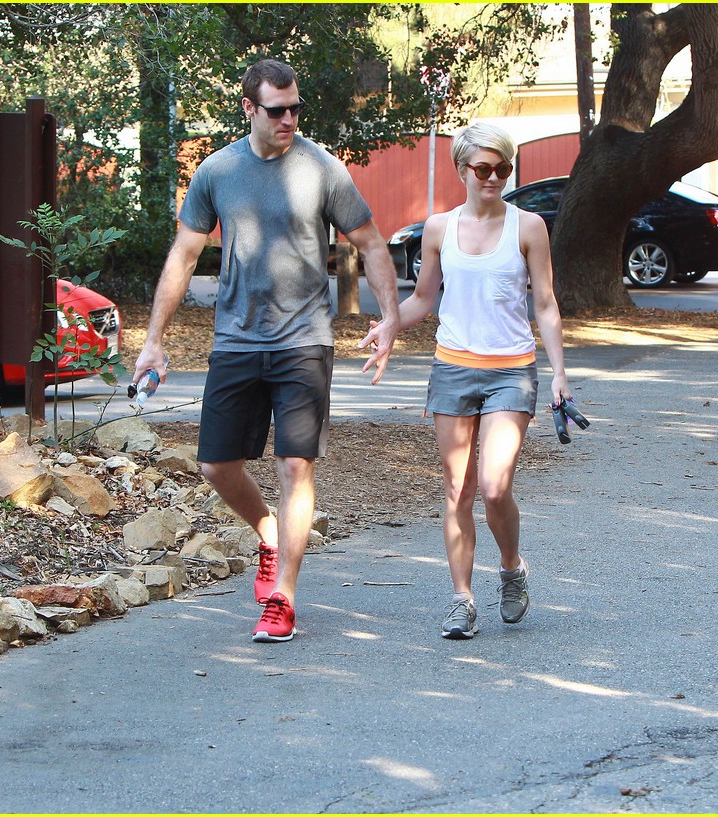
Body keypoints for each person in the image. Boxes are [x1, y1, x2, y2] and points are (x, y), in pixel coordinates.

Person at [134, 58, 399, 644]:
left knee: (294, 464)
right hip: (236, 339)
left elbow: (372, 243)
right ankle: (268, 530)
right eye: (276, 109)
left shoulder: (323, 169)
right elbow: (183, 256)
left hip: (305, 340)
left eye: (295, 108)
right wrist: (153, 340)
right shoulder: (216, 171)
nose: (288, 119)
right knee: (216, 464)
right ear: (249, 108)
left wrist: (389, 317)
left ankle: (284, 596)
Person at [380, 122, 571, 639]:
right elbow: (424, 297)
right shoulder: (439, 228)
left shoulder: (528, 227)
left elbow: (546, 303)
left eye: (502, 169)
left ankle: (511, 568)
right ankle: (462, 599)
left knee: (493, 486)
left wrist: (558, 373)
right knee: (457, 489)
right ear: (462, 170)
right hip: (452, 367)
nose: (493, 178)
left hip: (511, 369)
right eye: (483, 168)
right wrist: (388, 325)